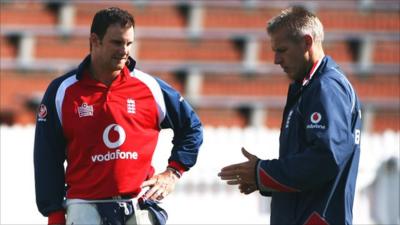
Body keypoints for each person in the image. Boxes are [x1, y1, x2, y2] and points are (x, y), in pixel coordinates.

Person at [34, 7, 203, 225]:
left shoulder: (149, 87)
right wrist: (54, 213)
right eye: (117, 42)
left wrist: (173, 172)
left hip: (137, 205)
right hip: (83, 207)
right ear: (95, 41)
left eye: (129, 43)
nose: (125, 51)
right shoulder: (62, 91)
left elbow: (191, 127)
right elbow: (47, 156)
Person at [218, 6, 362, 225]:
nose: (276, 60)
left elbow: (326, 159)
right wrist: (265, 180)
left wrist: (263, 173)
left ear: (306, 42)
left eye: (282, 50)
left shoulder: (326, 88)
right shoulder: (309, 88)